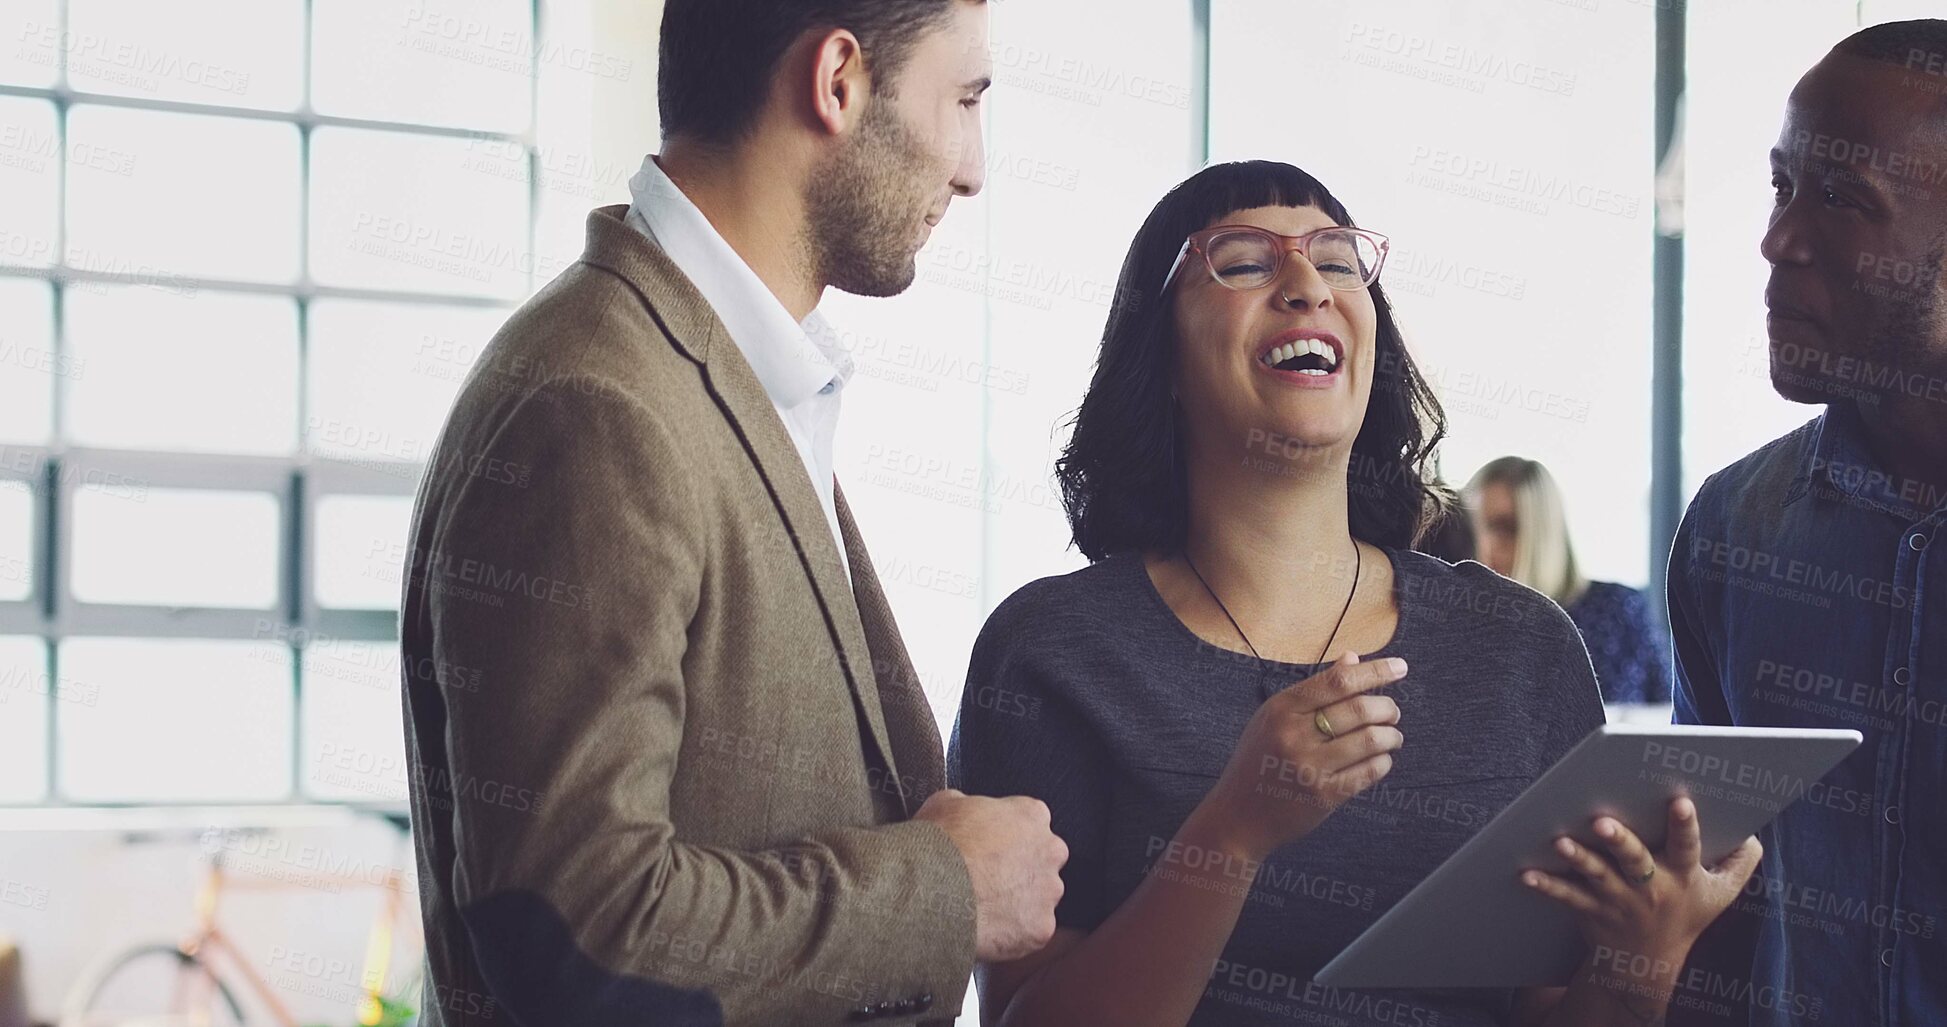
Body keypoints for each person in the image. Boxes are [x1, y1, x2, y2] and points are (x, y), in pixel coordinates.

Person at [950, 160, 1762, 1027]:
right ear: (1163, 355)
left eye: (1337, 261)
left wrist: (1645, 955)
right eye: (1246, 261)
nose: (1307, 285)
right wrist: (1232, 832)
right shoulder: (1051, 648)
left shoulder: (1519, 645)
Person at [398, 3, 1069, 1025]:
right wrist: (947, 888)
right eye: (965, 100)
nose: (973, 168)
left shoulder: (730, 372)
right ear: (837, 81)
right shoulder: (598, 405)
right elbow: (579, 936)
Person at [1668, 19, 1947, 1026]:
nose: (1779, 239)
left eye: (1842, 199)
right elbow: (1715, 913)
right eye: (1783, 186)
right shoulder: (1734, 530)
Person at [1466, 456, 1674, 705]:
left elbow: (1666, 716)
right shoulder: (1462, 624)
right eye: (1472, 528)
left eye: (1505, 529)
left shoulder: (1616, 611)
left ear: (1543, 534)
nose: (1485, 547)